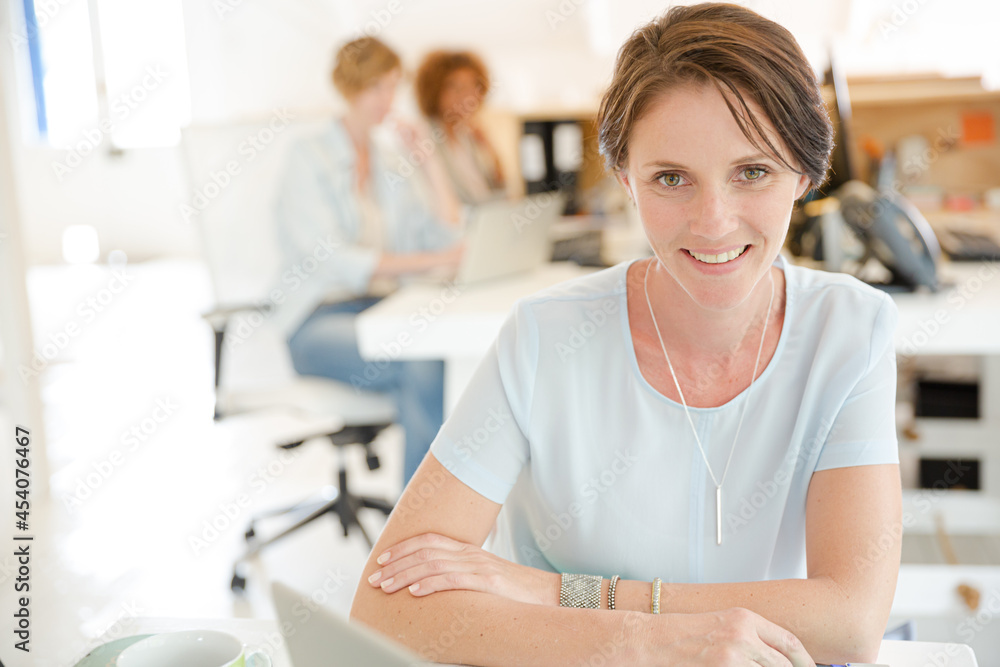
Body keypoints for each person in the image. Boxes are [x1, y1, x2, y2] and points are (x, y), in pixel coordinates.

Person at [350, 4, 901, 665]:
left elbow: (849, 620)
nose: (714, 222)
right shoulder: (543, 338)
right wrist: (651, 642)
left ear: (806, 174)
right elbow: (384, 606)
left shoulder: (850, 330)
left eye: (752, 171)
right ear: (624, 181)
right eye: (671, 178)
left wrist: (560, 592)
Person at [269, 37, 465, 487]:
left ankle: (423, 524)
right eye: (376, 87)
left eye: (393, 88)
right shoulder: (308, 157)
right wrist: (427, 261)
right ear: (350, 88)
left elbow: (445, 234)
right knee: (422, 366)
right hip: (315, 323)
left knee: (440, 359)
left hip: (378, 312)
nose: (387, 101)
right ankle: (418, 532)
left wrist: (431, 162)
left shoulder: (388, 162)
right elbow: (333, 259)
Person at [415, 50, 506, 205]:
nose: (468, 97)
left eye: (473, 87)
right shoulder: (422, 138)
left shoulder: (469, 137)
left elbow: (499, 192)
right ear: (435, 91)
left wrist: (490, 151)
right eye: (457, 88)